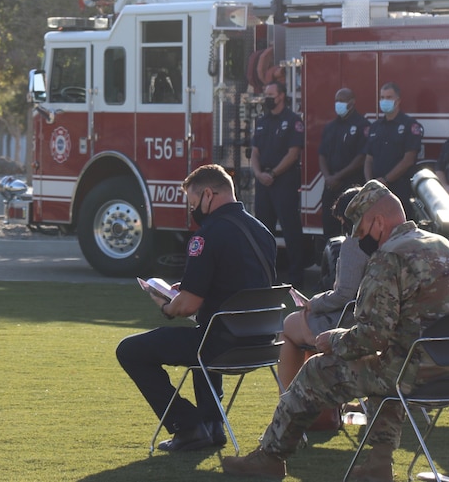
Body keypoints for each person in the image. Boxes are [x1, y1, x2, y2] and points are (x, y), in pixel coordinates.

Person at [221, 180, 449, 480]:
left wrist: (333, 339)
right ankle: (379, 464)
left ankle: (271, 457)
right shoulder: (448, 248)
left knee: (316, 369)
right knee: (385, 369)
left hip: (414, 374)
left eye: (361, 229)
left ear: (379, 221)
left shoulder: (388, 257)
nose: (359, 238)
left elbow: (371, 336)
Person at [116, 164, 276, 452]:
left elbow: (188, 305)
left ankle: (188, 427)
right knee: (205, 329)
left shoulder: (208, 234)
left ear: (207, 194)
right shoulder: (260, 229)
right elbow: (237, 283)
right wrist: (189, 288)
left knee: (130, 350)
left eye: (193, 203)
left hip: (225, 346)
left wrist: (166, 305)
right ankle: (212, 425)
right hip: (264, 342)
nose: (193, 210)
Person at [277, 186, 368, 391]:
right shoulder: (389, 240)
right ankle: (316, 399)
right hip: (375, 320)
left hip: (352, 322)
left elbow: (345, 294)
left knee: (289, 325)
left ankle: (290, 397)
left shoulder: (354, 244)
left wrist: (313, 303)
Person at [251, 80, 305, 287]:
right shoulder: (262, 121)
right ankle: (264, 277)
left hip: (284, 181)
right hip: (263, 182)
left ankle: (295, 279)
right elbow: (255, 153)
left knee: (291, 230)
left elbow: (293, 154)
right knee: (263, 231)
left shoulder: (293, 121)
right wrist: (258, 174)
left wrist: (273, 173)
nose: (267, 98)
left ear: (281, 96)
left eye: (270, 94)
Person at [363, 82, 424, 219]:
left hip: (400, 190)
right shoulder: (375, 127)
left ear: (398, 101)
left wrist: (385, 180)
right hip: (376, 192)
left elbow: (408, 160)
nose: (384, 101)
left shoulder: (410, 125)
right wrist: (370, 184)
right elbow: (368, 159)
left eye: (389, 97)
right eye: (382, 97)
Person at [318, 88, 370, 240]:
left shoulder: (362, 125)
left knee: (351, 228)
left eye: (342, 101)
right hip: (330, 186)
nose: (338, 104)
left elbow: (361, 158)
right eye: (336, 101)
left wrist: (338, 177)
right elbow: (322, 155)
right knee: (329, 226)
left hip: (351, 185)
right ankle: (330, 260)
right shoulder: (330, 127)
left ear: (352, 103)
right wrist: (328, 177)